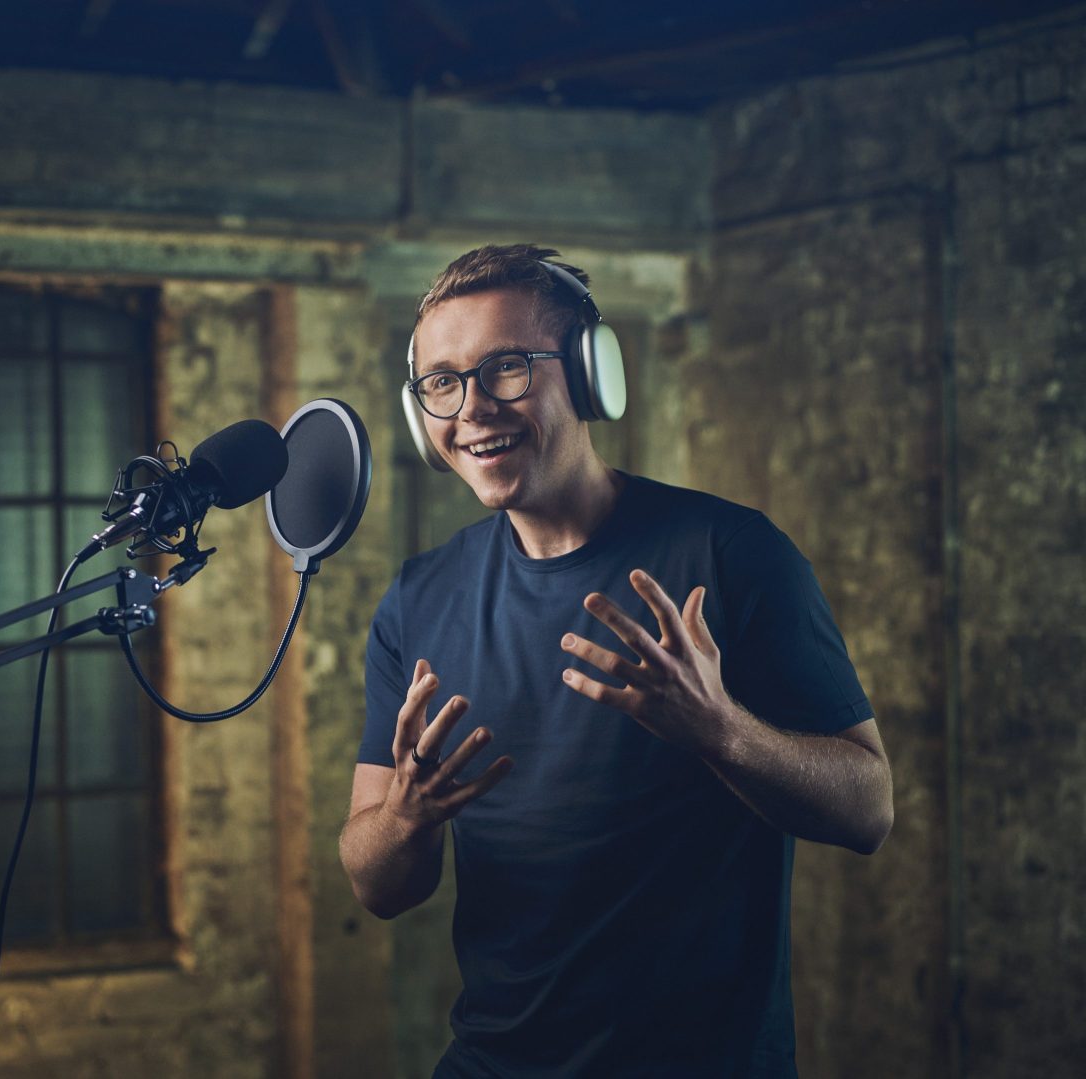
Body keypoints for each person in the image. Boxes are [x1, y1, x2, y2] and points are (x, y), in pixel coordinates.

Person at [339, 244, 893, 1078]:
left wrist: (722, 731)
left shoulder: (734, 554)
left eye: (508, 369)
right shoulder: (419, 599)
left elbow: (868, 809)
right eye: (444, 383)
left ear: (592, 376)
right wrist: (408, 816)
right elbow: (376, 886)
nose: (474, 408)